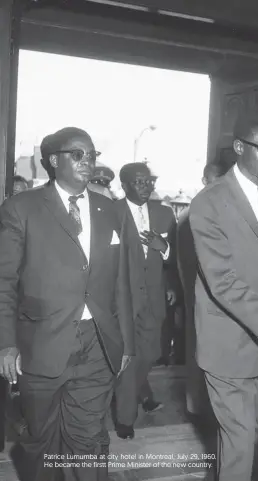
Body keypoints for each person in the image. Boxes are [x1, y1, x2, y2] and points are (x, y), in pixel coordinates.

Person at [0, 127, 134, 481]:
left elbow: (122, 282)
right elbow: (3, 282)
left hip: (97, 342)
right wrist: (6, 343)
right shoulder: (21, 208)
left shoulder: (111, 209)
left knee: (87, 437)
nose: (87, 161)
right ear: (53, 161)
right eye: (77, 154)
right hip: (40, 342)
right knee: (40, 440)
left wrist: (126, 343)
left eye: (91, 154)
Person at [190, 113, 258, 480]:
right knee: (240, 441)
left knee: (256, 439)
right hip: (227, 344)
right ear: (238, 149)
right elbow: (222, 282)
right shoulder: (209, 203)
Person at [112, 162, 177, 440]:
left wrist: (164, 249)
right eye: (138, 182)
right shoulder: (111, 213)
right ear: (124, 185)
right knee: (129, 357)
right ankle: (125, 418)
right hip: (122, 299)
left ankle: (123, 396)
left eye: (149, 181)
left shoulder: (164, 214)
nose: (146, 187)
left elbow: (179, 258)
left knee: (149, 355)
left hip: (154, 298)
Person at [178, 162, 226, 415]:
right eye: (212, 181)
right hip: (201, 297)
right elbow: (187, 263)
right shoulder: (192, 213)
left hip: (223, 300)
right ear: (205, 180)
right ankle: (197, 408)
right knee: (198, 352)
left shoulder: (227, 211)